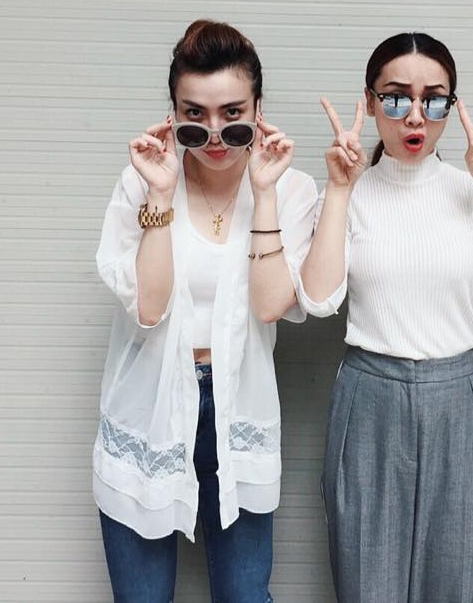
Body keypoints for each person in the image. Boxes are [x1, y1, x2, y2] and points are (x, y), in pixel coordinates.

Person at [298, 32, 473, 602]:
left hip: (456, 398)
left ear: (451, 107)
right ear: (369, 103)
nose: (415, 116)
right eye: (395, 98)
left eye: (433, 100)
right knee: (367, 582)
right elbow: (317, 300)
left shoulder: (468, 191)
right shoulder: (349, 193)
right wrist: (338, 190)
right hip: (370, 395)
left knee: (453, 581)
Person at [92, 19, 318, 603]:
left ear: (259, 109)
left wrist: (263, 193)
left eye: (232, 114)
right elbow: (149, 308)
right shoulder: (142, 183)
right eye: (194, 116)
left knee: (245, 595)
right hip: (149, 408)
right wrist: (159, 195)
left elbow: (271, 305)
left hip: (238, 407)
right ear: (172, 115)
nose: (214, 134)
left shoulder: (291, 190)